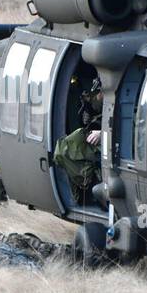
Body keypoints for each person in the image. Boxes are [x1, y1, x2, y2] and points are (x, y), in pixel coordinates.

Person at [53, 77, 104, 205]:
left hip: (107, 141)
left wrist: (102, 134)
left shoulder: (124, 101)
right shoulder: (100, 100)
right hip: (95, 136)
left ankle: (86, 180)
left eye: (101, 92)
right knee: (62, 150)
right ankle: (83, 182)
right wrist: (87, 109)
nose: (98, 95)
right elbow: (96, 107)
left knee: (66, 148)